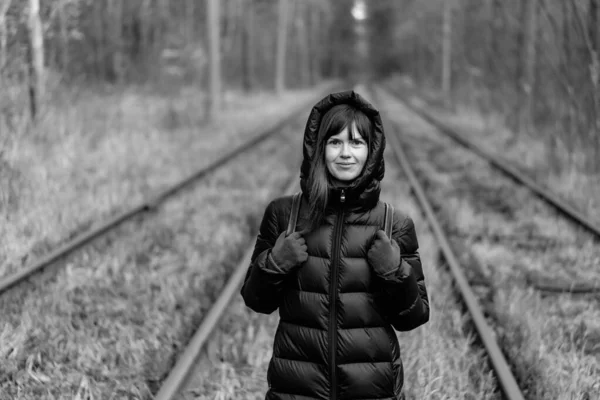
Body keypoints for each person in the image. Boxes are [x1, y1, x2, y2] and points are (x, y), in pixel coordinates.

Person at [241, 90, 429, 400]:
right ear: (319, 149)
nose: (345, 153)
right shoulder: (284, 215)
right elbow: (256, 300)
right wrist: (274, 264)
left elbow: (414, 316)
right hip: (297, 389)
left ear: (372, 151)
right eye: (335, 142)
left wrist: (396, 272)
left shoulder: (393, 224)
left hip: (371, 390)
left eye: (357, 143)